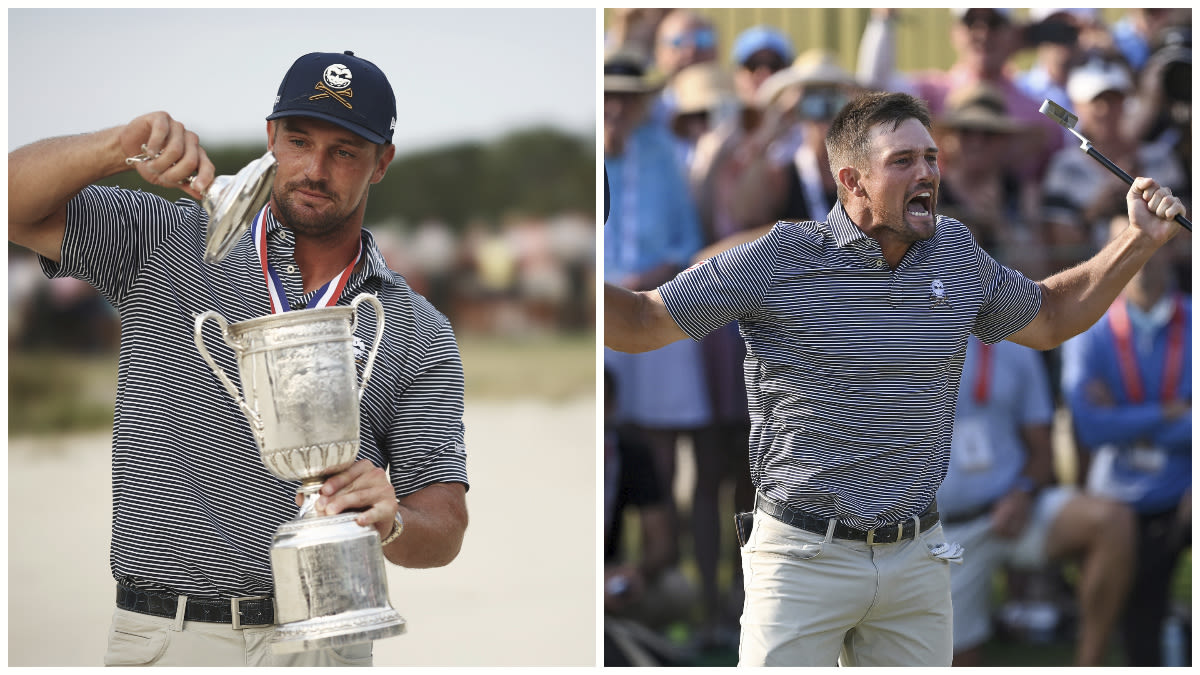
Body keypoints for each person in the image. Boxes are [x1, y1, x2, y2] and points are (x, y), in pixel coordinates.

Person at [603, 90, 1187, 666]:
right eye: (903, 161)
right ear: (853, 182)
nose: (928, 172)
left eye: (931, 157)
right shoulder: (779, 258)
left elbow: (1054, 316)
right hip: (803, 556)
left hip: (917, 557)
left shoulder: (956, 254)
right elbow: (639, 322)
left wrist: (1138, 239)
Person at [8, 50, 469, 667]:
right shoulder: (166, 238)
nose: (314, 168)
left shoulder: (418, 326)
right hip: (170, 636)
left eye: (344, 152)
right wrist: (117, 146)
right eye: (299, 141)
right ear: (270, 137)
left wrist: (394, 522)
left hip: (329, 644)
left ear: (381, 163)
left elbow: (446, 524)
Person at [937, 335, 1135, 666]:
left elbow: (1042, 450)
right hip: (943, 531)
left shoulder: (1013, 346)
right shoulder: (896, 340)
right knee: (959, 659)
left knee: (1112, 521)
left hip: (1013, 510)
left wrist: (1023, 492)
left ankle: (1089, 665)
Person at [1061, 214, 1192, 666]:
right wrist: (1173, 411)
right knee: (1139, 629)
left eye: (1152, 242)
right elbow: (1092, 427)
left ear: (1171, 248)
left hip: (1184, 492)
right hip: (1118, 498)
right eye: (1128, 243)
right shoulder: (1090, 332)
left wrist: (1124, 416)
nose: (1143, 256)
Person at [603, 48, 711, 581]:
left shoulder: (667, 154)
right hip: (602, 307)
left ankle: (658, 561)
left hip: (658, 300)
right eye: (608, 97)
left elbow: (688, 241)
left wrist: (648, 278)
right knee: (604, 429)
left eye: (625, 97)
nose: (616, 107)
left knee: (662, 439)